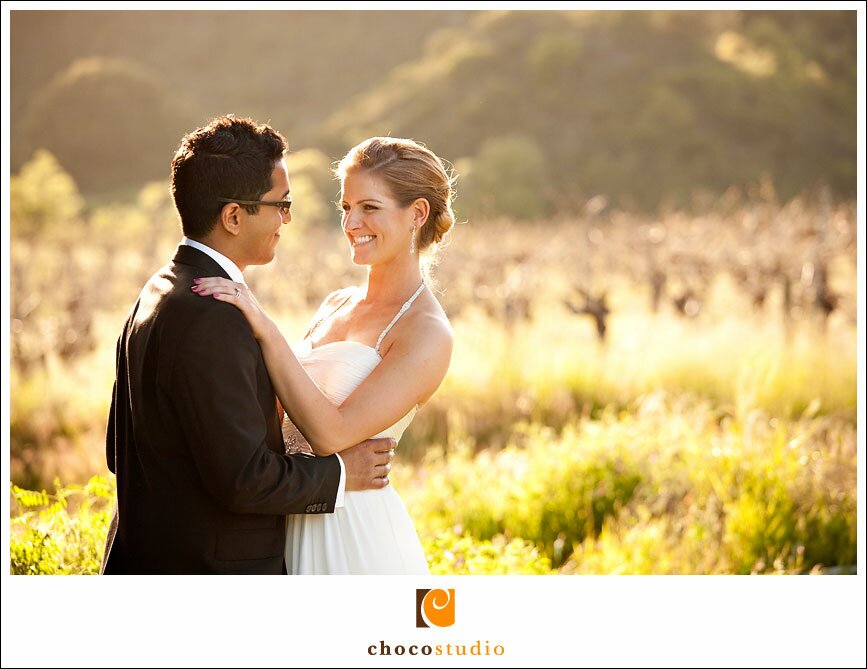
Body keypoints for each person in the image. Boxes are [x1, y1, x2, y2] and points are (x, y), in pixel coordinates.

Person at [101, 116, 395, 575]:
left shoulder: (158, 290)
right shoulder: (213, 316)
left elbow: (117, 451)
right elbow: (244, 480)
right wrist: (342, 473)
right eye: (281, 204)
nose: (287, 219)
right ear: (234, 216)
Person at [192, 136, 456, 574]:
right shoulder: (336, 303)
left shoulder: (427, 333)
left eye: (369, 207)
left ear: (418, 213)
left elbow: (331, 435)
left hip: (352, 535)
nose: (352, 222)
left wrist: (265, 329)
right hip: (288, 516)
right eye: (345, 207)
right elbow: (280, 415)